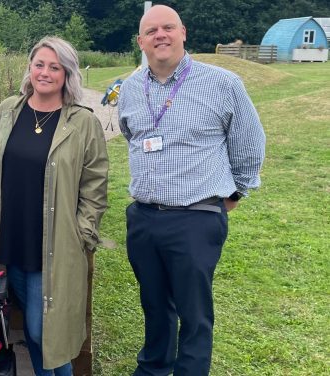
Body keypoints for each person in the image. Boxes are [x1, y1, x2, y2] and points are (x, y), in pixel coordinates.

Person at [118, 5, 266, 375]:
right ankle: (153, 368)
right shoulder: (131, 87)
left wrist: (235, 194)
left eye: (168, 28)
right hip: (144, 217)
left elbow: (249, 144)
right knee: (153, 304)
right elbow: (130, 136)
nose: (160, 36)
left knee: (194, 312)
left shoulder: (222, 83)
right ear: (141, 41)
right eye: (151, 31)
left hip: (196, 218)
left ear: (183, 32)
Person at [0, 36, 109, 375]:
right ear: (30, 68)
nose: (45, 72)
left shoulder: (82, 123)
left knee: (41, 330)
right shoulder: (9, 110)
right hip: (10, 238)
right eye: (40, 64)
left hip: (52, 244)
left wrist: (83, 232)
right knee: (32, 330)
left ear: (68, 74)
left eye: (55, 67)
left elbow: (95, 183)